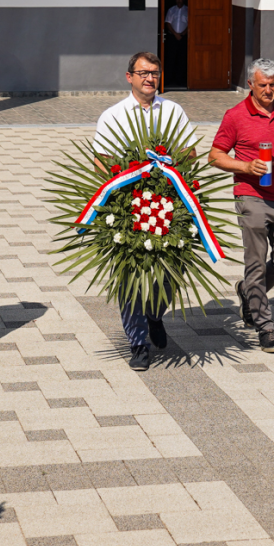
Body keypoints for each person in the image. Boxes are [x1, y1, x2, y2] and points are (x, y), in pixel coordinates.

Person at [93, 52, 197, 370]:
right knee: (130, 276)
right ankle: (138, 343)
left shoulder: (173, 111)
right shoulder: (113, 115)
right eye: (143, 72)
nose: (149, 78)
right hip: (128, 208)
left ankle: (154, 314)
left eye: (154, 72)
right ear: (129, 77)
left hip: (168, 205)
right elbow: (100, 161)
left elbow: (189, 153)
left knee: (171, 274)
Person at [209, 58, 274, 354]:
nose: (268, 90)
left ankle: (247, 291)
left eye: (273, 84)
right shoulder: (235, 115)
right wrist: (244, 165)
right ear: (250, 85)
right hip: (249, 194)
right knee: (255, 260)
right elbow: (215, 155)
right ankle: (265, 326)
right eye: (262, 85)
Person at [164, 0, 188, 88]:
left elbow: (191, 23)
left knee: (182, 59)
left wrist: (182, 34)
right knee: (171, 58)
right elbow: (168, 23)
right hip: (173, 37)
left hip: (183, 37)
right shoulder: (171, 10)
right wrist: (175, 34)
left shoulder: (188, 10)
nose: (179, 0)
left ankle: (181, 81)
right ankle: (169, 80)